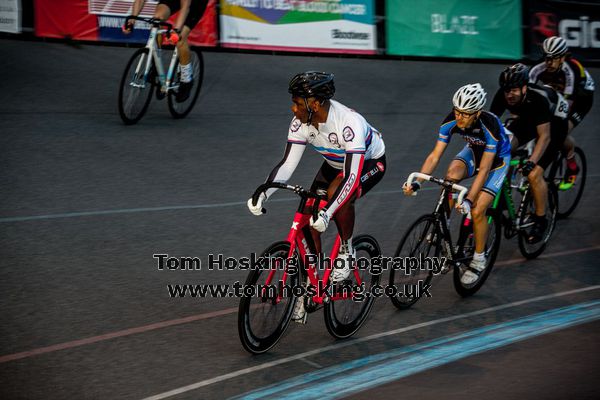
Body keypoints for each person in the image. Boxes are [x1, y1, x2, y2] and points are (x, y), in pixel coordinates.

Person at [247, 72, 386, 320]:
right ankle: (310, 287)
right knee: (310, 219)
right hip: (335, 163)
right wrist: (264, 192)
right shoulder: (300, 122)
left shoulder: (348, 123)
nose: (293, 108)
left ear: (314, 104)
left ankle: (347, 250)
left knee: (338, 196)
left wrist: (330, 211)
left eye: (298, 103)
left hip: (368, 162)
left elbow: (352, 177)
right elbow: (287, 164)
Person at [403, 83, 511, 285]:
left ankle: (478, 259)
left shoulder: (490, 125)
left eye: (466, 114)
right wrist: (417, 182)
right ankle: (444, 225)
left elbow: (485, 169)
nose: (459, 117)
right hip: (474, 151)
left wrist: (469, 199)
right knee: (450, 175)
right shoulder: (451, 120)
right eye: (457, 111)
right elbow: (435, 156)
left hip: (496, 161)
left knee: (478, 210)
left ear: (477, 113)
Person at [491, 63, 569, 243]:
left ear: (525, 87)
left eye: (514, 90)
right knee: (504, 150)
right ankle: (503, 195)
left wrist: (532, 161)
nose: (509, 94)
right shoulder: (503, 95)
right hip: (527, 118)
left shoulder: (538, 99)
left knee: (534, 174)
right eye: (506, 90)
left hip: (554, 125)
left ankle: (541, 219)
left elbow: (544, 136)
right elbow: (491, 126)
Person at [529, 36, 595, 183]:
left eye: (554, 58)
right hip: (558, 93)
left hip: (580, 100)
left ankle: (572, 163)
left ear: (563, 57)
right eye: (547, 58)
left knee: (559, 131)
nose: (549, 63)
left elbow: (567, 104)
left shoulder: (572, 70)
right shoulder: (538, 67)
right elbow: (526, 91)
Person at [122, 0, 208, 102]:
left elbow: (185, 7)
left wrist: (176, 31)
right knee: (157, 19)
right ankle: (156, 64)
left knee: (180, 39)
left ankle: (186, 79)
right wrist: (131, 21)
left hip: (195, 3)